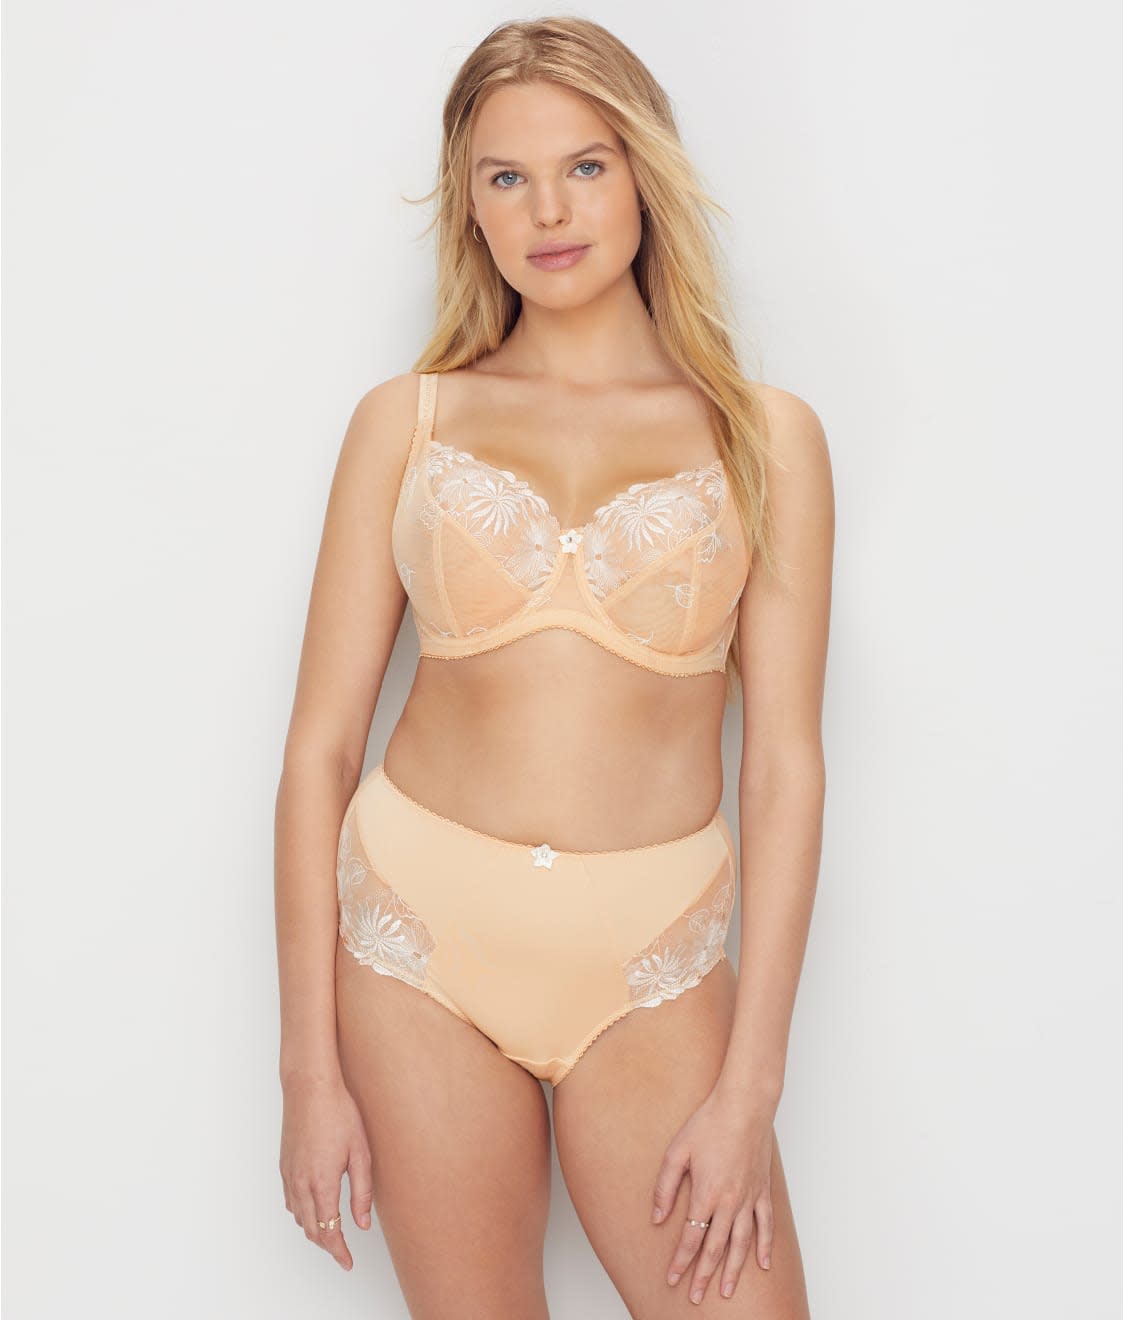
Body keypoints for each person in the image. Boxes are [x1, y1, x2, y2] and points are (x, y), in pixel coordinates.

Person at [275, 16, 833, 1317]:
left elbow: (786, 771)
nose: (549, 211)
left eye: (585, 166)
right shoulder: (407, 420)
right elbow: (318, 752)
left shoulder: (766, 439)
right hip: (415, 945)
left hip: (651, 965)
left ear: (643, 172)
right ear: (468, 205)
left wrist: (750, 1087)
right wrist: (308, 1069)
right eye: (506, 177)